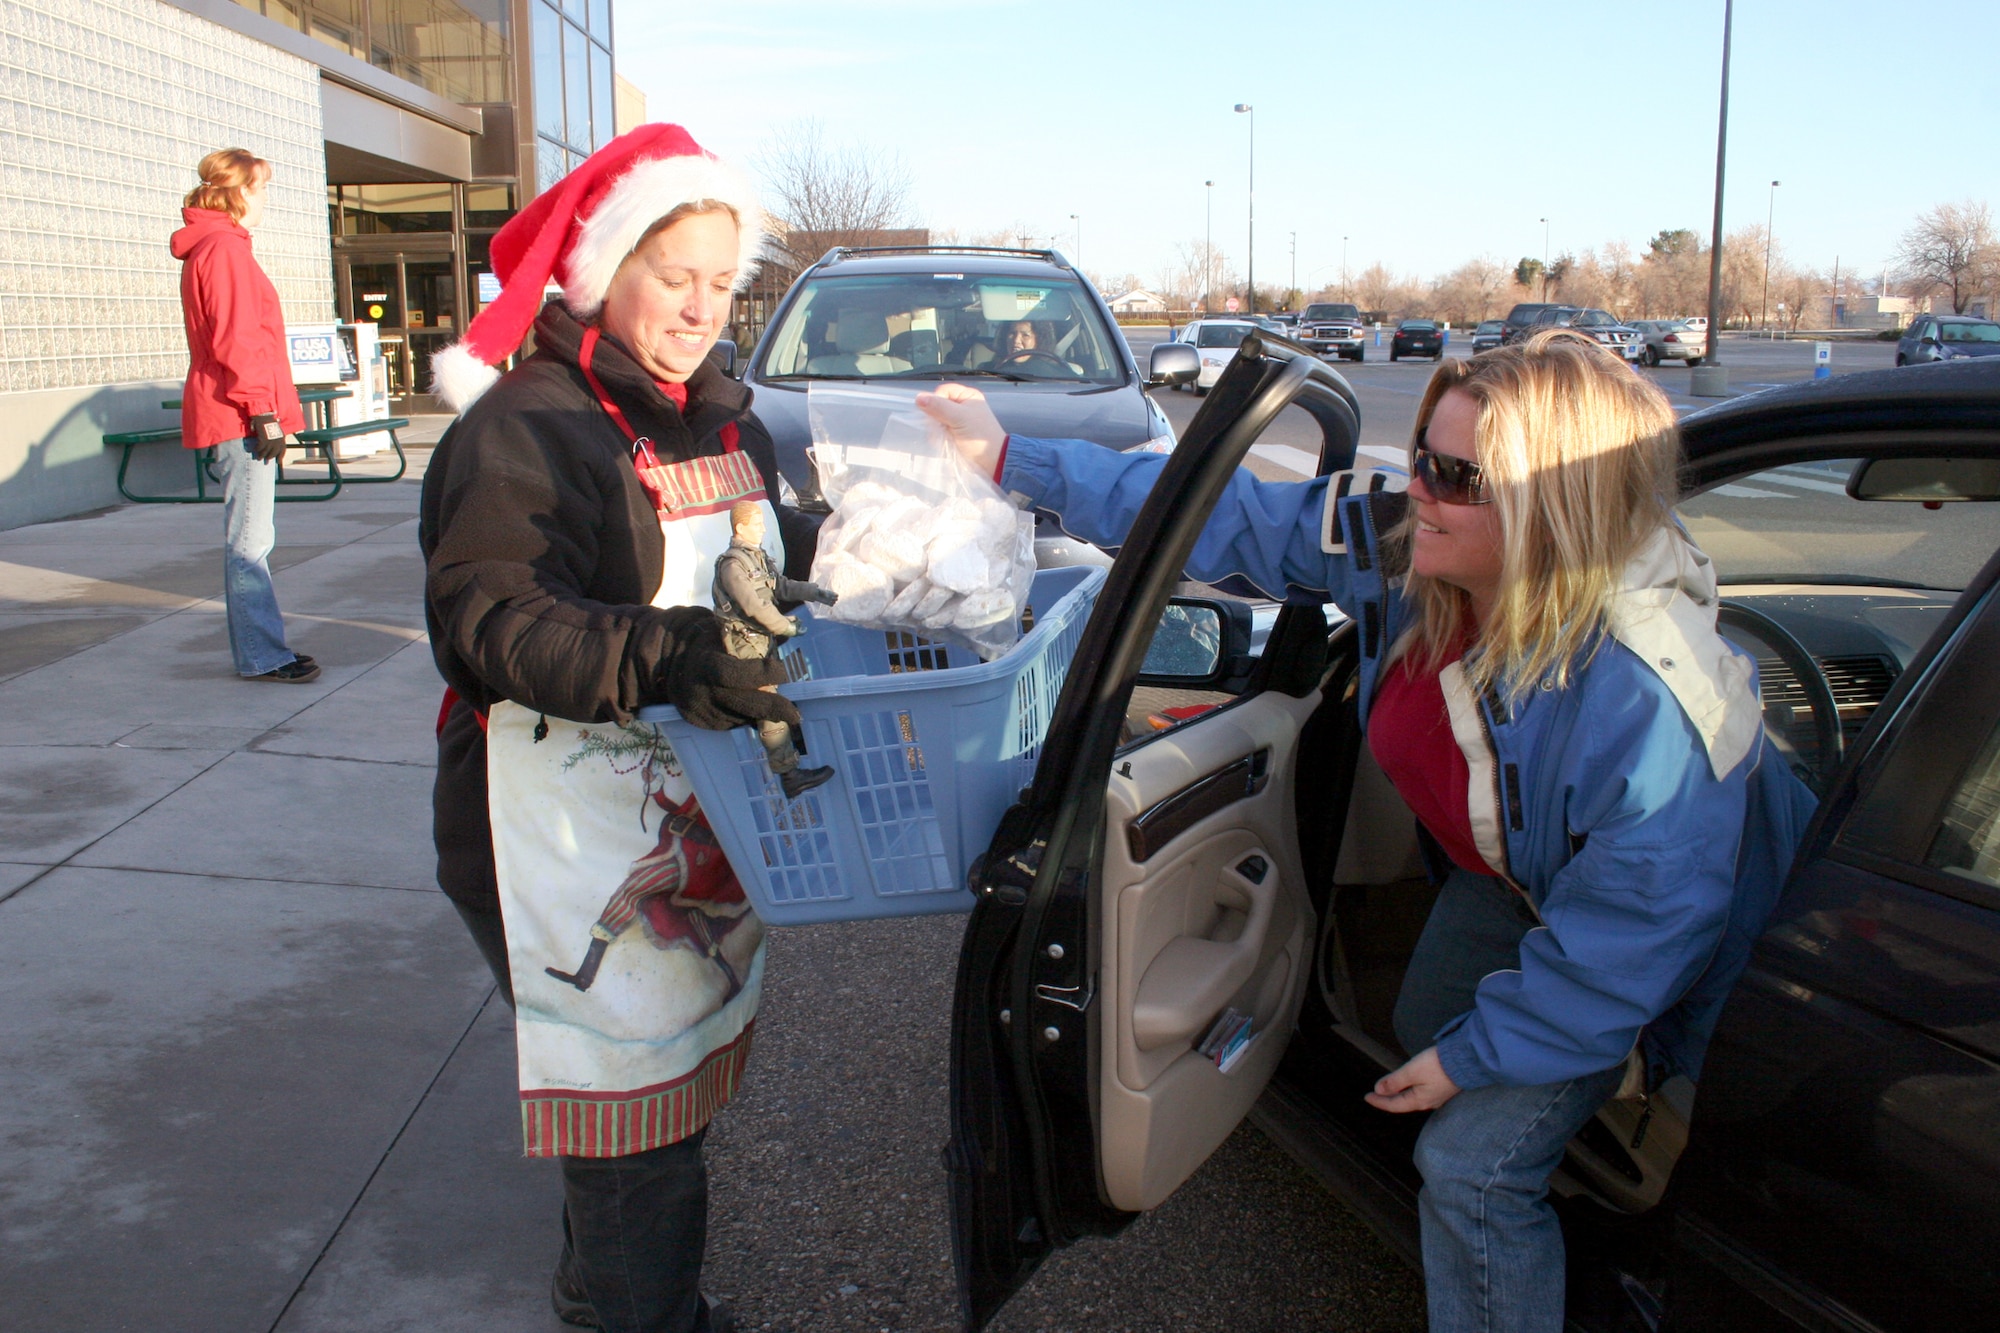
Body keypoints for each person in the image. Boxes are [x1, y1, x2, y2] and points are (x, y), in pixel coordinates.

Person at [916, 329, 1818, 1333]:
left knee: (1467, 1163)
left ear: (1549, 510)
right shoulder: (1411, 542)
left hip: (1670, 935)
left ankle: (1520, 1214)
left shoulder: (1640, 697)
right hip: (1520, 883)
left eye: (1454, 475)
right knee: (1428, 1019)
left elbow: (1635, 928)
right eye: (1422, 457)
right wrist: (1008, 457)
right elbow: (1231, 513)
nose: (1417, 489)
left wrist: (1483, 1060)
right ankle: (1556, 1183)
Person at [421, 125, 819, 1333]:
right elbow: (493, 620)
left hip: (673, 810)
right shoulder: (527, 427)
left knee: (657, 1105)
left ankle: (605, 1295)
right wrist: (675, 653)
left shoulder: (720, 419)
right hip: (546, 831)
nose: (701, 307)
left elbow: (761, 564)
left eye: (720, 279)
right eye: (672, 275)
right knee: (638, 1129)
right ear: (603, 275)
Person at [171, 148, 318, 683]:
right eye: (261, 189)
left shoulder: (214, 248)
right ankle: (262, 654)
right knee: (250, 542)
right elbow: (238, 340)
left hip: (238, 411)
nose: (265, 201)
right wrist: (264, 413)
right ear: (237, 194)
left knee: (252, 537)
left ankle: (263, 648)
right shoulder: (224, 249)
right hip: (240, 415)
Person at [711, 500, 838, 799]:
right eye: (757, 524)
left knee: (778, 699)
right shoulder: (733, 566)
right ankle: (789, 774)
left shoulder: (755, 558)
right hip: (745, 648)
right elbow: (753, 605)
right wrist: (785, 626)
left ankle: (792, 749)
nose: (762, 529)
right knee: (768, 706)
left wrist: (812, 590)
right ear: (741, 527)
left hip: (761, 642)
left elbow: (777, 586)